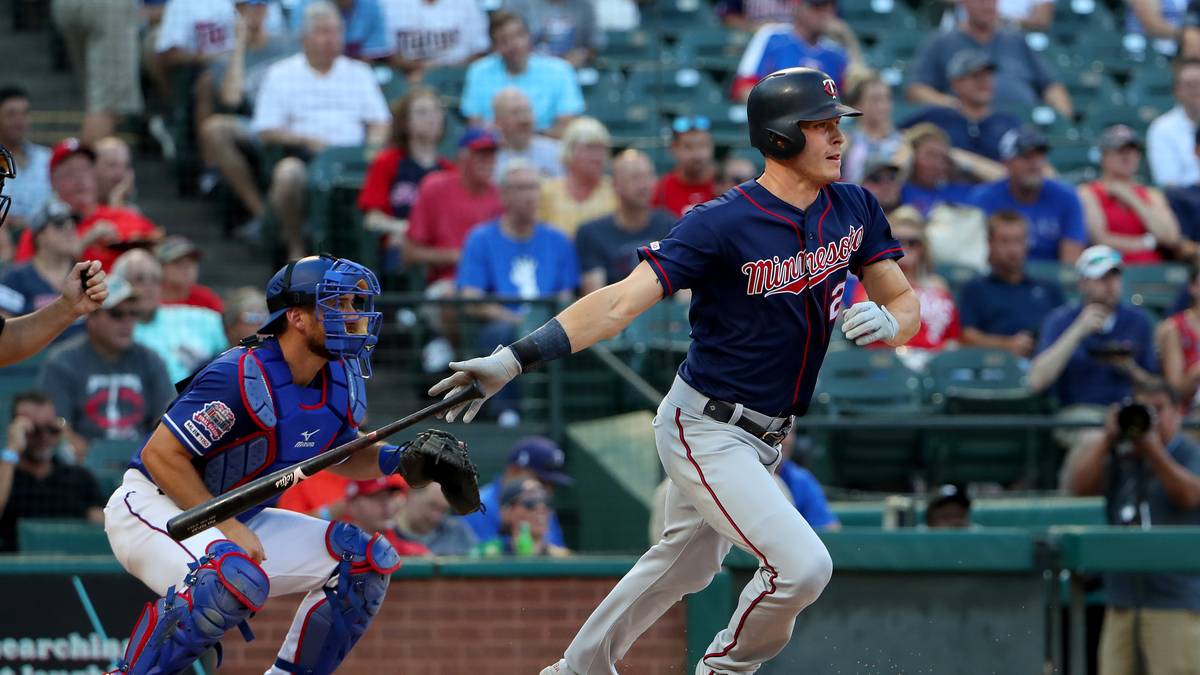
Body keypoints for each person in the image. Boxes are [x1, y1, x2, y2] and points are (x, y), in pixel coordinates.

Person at [431, 67, 920, 675]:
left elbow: (904, 302)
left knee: (686, 564)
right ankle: (724, 670)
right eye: (819, 126)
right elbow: (617, 305)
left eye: (836, 125)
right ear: (779, 137)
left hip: (768, 435)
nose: (838, 137)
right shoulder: (719, 222)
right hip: (706, 425)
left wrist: (894, 323)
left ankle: (574, 671)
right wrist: (513, 357)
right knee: (803, 567)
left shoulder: (855, 206)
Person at [100, 254, 470, 675]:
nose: (352, 316)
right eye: (338, 304)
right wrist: (227, 525)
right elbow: (160, 454)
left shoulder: (338, 377)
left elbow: (338, 452)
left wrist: (400, 460)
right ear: (296, 316)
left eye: (354, 304)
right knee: (227, 578)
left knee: (364, 561)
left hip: (231, 519)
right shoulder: (240, 374)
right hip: (155, 508)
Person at [1061, 378, 1200, 675]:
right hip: (1122, 602)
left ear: (1177, 412)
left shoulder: (1188, 453)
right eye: (1142, 409)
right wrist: (1106, 439)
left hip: (1174, 602)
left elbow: (1190, 495)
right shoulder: (1122, 456)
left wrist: (1154, 451)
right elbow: (1079, 488)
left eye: (1158, 409)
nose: (1150, 417)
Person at [251, 0, 391, 258]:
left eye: (337, 31)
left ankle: (376, 255)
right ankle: (296, 246)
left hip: (354, 158)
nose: (332, 39)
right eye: (324, 32)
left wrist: (372, 146)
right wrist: (307, 139)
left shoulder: (359, 72)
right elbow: (266, 129)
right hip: (306, 156)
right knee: (287, 175)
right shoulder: (281, 74)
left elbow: (380, 121)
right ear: (305, 37)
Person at [458, 160, 578, 419]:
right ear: (504, 195)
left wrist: (542, 324)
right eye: (521, 188)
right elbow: (471, 298)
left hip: (550, 326)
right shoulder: (481, 239)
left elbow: (565, 296)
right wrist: (516, 320)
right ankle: (507, 414)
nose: (531, 195)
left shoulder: (558, 240)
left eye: (534, 187)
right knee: (502, 334)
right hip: (504, 327)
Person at [1029, 246, 1159, 485]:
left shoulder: (1138, 321)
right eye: (1101, 277)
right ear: (1082, 284)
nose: (1110, 284)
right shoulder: (1061, 321)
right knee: (1094, 437)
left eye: (1115, 275)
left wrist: (1129, 368)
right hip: (1078, 411)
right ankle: (1071, 507)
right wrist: (1078, 331)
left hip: (1127, 410)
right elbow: (1037, 380)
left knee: (1156, 434)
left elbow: (1155, 386)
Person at [36, 276, 173, 443]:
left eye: (133, 313)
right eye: (117, 314)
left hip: (138, 459)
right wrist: (71, 445)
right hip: (81, 464)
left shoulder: (151, 359)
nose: (127, 321)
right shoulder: (62, 361)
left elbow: (165, 417)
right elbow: (57, 422)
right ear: (91, 317)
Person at [196, 0, 298, 209]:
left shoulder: (288, 43)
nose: (254, 12)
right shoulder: (226, 56)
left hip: (296, 119)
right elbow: (231, 99)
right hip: (257, 123)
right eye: (246, 7)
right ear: (237, 12)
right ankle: (260, 213)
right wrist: (239, 46)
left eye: (259, 5)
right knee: (214, 129)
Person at [14, 138, 162, 270]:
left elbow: (162, 251)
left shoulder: (125, 217)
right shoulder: (42, 231)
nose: (80, 180)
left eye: (85, 169)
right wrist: (83, 243)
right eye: (70, 172)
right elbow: (28, 282)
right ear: (53, 181)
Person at [906, 0, 1072, 118]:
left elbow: (1051, 85)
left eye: (992, 0)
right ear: (964, 3)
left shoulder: (1016, 40)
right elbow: (917, 89)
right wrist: (954, 106)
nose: (987, 5)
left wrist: (1064, 118)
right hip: (973, 126)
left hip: (1024, 124)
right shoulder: (941, 42)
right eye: (981, 0)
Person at [848, 206, 960, 371]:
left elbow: (953, 335)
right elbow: (862, 327)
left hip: (937, 364)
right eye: (898, 241)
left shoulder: (938, 284)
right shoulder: (871, 281)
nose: (905, 247)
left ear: (923, 247)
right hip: (889, 365)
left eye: (913, 242)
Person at [0, 391, 104, 552]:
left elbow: (104, 526)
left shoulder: (79, 477)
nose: (44, 437)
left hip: (70, 567)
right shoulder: (5, 475)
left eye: (50, 429)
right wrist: (11, 449)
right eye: (33, 429)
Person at [403, 128, 504, 290]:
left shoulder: (500, 196)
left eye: (492, 155)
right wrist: (458, 256)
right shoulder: (436, 187)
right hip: (449, 282)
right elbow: (410, 253)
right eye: (481, 154)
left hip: (496, 283)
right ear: (462, 157)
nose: (488, 161)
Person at [969, 127, 1087, 264]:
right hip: (998, 279)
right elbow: (976, 256)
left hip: (1051, 282)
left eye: (1040, 156)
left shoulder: (1066, 197)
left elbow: (1069, 265)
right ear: (1007, 163)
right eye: (1026, 157)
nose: (1035, 164)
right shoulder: (984, 198)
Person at [357, 86, 453, 255]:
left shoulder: (449, 170)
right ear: (405, 122)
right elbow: (372, 220)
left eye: (436, 111)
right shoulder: (387, 162)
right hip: (397, 252)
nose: (431, 118)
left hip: (437, 250)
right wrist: (409, 229)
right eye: (422, 112)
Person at [460, 11, 584, 137]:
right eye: (504, 40)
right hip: (495, 149)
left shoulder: (560, 71)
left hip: (548, 147)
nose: (513, 44)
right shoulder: (478, 72)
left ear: (529, 36)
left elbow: (566, 127)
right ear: (494, 47)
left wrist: (525, 139)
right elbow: (475, 126)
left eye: (519, 35)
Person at [959, 210, 1064, 358]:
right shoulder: (975, 289)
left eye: (1019, 241)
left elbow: (1064, 329)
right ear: (990, 243)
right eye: (1005, 241)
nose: (1013, 249)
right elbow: (967, 337)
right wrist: (1007, 344)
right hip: (996, 368)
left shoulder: (1048, 288)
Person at [113, 249, 227, 385]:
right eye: (140, 279)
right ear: (119, 284)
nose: (149, 286)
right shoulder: (110, 327)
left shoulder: (201, 319)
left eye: (155, 279)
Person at [1079, 125, 1185, 266]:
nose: (1127, 155)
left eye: (1133, 150)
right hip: (1110, 271)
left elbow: (1170, 237)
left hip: (1152, 270)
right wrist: (1149, 242)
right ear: (1104, 155)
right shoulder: (1088, 193)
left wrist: (1133, 199)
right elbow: (1100, 240)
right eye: (1120, 150)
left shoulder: (1151, 195)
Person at [576, 150, 675, 294]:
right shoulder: (591, 234)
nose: (644, 185)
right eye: (635, 178)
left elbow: (683, 293)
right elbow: (596, 298)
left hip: (664, 315)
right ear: (615, 185)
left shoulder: (669, 225)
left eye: (648, 176)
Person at [899, 49, 1020, 165]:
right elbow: (898, 138)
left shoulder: (1007, 123)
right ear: (955, 83)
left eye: (988, 76)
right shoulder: (936, 117)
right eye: (975, 76)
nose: (984, 81)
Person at [50, 0, 143, 143]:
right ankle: (89, 163)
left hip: (67, 6)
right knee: (105, 105)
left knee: (95, 96)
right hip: (107, 7)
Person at [732, 0, 855, 102]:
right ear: (799, 7)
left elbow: (858, 93)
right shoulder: (772, 37)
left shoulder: (836, 51)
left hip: (823, 124)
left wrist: (848, 39)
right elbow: (743, 87)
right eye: (817, 7)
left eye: (830, 7)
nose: (825, 13)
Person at [463, 436, 573, 547]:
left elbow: (556, 556)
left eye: (552, 486)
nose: (546, 492)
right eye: (542, 481)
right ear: (514, 471)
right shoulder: (476, 507)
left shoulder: (543, 509)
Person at [0, 201, 85, 335]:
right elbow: (3, 333)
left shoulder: (86, 273)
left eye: (72, 224)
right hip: (33, 353)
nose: (70, 230)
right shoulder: (15, 277)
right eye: (59, 225)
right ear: (40, 236)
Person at [537, 117, 616, 237]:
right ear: (569, 150)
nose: (598, 156)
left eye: (602, 148)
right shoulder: (546, 191)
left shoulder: (615, 190)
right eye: (590, 148)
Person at [381, 0, 490, 78]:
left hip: (456, 75)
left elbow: (479, 52)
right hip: (405, 75)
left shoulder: (468, 3)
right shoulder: (389, 3)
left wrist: (442, 72)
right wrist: (417, 68)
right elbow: (386, 52)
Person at [0, 86, 52, 230]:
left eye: (24, 114)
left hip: (47, 241)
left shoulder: (47, 158)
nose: (19, 121)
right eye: (11, 114)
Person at [898, 123, 975, 218]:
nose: (937, 164)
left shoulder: (959, 191)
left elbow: (997, 179)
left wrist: (963, 159)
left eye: (943, 158)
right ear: (912, 157)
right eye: (931, 155)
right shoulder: (897, 191)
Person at [839, 72, 902, 185]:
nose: (883, 106)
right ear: (857, 104)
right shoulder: (846, 141)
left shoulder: (902, 143)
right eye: (875, 99)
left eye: (887, 98)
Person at [343, 476, 431, 557]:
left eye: (390, 496)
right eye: (376, 497)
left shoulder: (415, 554)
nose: (387, 503)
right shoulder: (336, 549)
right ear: (353, 505)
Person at [481, 478, 570, 556]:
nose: (541, 508)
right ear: (507, 512)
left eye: (546, 501)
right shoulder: (487, 556)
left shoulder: (562, 559)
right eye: (530, 502)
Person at [1147, 58, 1200, 188]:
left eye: (1199, 84)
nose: (1195, 90)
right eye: (1189, 85)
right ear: (1177, 90)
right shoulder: (1162, 128)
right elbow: (1167, 181)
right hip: (1184, 200)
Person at [492, 88, 564, 180]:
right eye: (515, 113)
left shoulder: (557, 153)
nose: (525, 120)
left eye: (528, 111)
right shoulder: (489, 160)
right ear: (498, 121)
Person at [653, 117, 717, 218]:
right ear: (673, 148)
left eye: (703, 145)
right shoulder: (661, 189)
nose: (697, 154)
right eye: (688, 147)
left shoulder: (725, 185)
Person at [289, 0, 394, 61]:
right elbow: (303, 53)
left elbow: (376, 51)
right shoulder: (305, 7)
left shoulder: (371, 5)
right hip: (314, 71)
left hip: (362, 70)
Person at [506, 0, 602, 66]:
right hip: (530, 70)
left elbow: (595, 46)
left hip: (573, 72)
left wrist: (582, 55)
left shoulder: (584, 6)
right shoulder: (518, 4)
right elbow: (504, 42)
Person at [1156, 267, 1200, 405]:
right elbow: (1174, 392)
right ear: (1193, 287)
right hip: (1188, 415)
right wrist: (1196, 373)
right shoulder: (1174, 328)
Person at [393, 483, 478, 555]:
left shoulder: (457, 532)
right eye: (432, 505)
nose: (436, 518)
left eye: (444, 510)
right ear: (411, 494)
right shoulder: (385, 533)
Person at [157, 235, 224, 314]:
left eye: (193, 263)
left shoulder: (206, 299)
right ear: (160, 267)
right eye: (179, 263)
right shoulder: (149, 300)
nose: (188, 269)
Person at [93, 136, 136, 209]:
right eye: (112, 165)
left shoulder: (132, 209)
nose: (120, 173)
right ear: (93, 169)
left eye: (126, 166)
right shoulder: (82, 207)